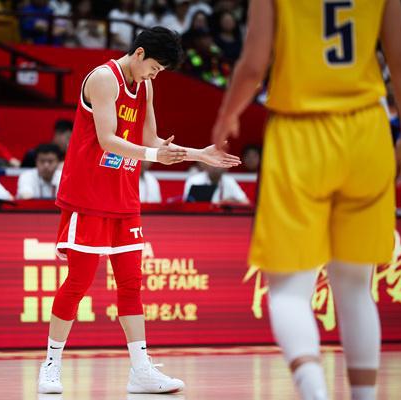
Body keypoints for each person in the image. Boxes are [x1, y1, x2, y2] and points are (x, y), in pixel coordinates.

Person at [212, 0, 401, 399]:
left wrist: (227, 115)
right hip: (367, 130)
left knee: (289, 289)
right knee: (356, 287)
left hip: (300, 130)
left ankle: (315, 393)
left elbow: (254, 65)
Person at [38, 26, 240, 395]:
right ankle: (51, 365)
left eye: (160, 72)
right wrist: (154, 155)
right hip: (88, 195)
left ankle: (141, 370)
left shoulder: (145, 86)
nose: (155, 75)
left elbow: (151, 141)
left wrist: (199, 154)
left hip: (124, 197)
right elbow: (108, 140)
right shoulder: (104, 79)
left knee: (131, 285)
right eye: (155, 68)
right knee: (79, 282)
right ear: (140, 53)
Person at [182, 162, 248, 204]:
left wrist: (231, 202)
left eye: (219, 163)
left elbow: (246, 202)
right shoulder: (194, 180)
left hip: (223, 218)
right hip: (199, 217)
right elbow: (186, 204)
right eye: (212, 163)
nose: (215, 166)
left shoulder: (229, 181)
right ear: (205, 165)